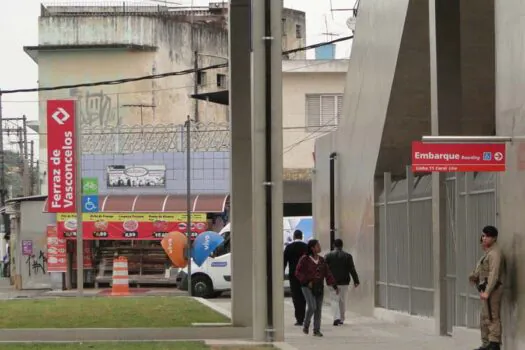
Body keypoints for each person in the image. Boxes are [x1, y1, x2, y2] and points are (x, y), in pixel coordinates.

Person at [468, 225, 505, 350]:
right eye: (483, 235)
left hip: (493, 290)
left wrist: (487, 292)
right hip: (486, 289)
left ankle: (494, 344)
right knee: (485, 316)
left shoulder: (495, 254)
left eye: (487, 236)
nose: (484, 238)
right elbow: (483, 269)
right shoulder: (488, 253)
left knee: (492, 316)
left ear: (494, 238)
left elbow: (494, 274)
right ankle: (486, 343)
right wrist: (474, 277)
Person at [295, 239, 338, 337]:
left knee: (318, 309)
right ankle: (306, 325)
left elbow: (328, 273)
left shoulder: (322, 260)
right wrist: (306, 281)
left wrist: (334, 285)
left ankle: (316, 330)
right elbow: (297, 272)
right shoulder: (304, 259)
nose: (320, 247)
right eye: (317, 245)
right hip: (307, 287)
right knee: (312, 306)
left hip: (319, 287)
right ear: (312, 248)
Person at [325, 238, 360, 326]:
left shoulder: (328, 256)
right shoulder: (348, 256)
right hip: (344, 282)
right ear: (342, 246)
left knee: (334, 300)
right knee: (342, 300)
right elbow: (352, 269)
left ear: (333, 245)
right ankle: (341, 318)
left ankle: (336, 318)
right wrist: (356, 280)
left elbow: (324, 269)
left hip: (332, 282)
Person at [283, 229, 308, 326]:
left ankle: (299, 319)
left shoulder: (289, 247)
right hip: (305, 276)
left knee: (296, 296)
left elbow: (284, 262)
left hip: (293, 275)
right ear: (301, 236)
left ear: (294, 236)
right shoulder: (306, 247)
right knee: (304, 296)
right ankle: (304, 316)